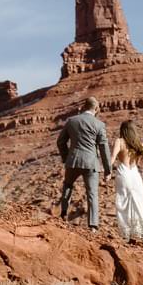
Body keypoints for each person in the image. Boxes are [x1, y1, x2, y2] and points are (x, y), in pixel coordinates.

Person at [56, 96, 111, 231]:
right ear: (96, 108)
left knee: (68, 185)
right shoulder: (99, 125)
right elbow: (104, 148)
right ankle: (93, 226)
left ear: (83, 107)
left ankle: (63, 213)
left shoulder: (72, 121)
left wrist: (66, 157)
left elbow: (60, 142)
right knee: (92, 193)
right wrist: (108, 169)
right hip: (91, 163)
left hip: (73, 161)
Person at [110, 119, 143, 242]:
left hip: (123, 174)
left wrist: (107, 171)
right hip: (135, 176)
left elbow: (112, 158)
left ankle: (125, 234)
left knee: (123, 202)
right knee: (138, 204)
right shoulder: (139, 144)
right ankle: (139, 232)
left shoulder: (119, 141)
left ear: (123, 130)